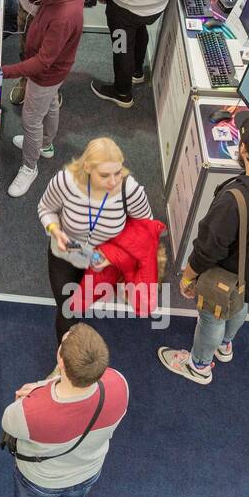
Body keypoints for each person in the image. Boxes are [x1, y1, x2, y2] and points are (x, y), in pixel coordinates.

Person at [159, 112, 249, 385]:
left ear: (243, 149)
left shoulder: (234, 200)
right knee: (241, 303)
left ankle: (199, 365)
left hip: (224, 275)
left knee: (212, 317)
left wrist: (189, 276)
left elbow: (207, 250)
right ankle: (225, 345)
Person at [37, 138, 153, 354]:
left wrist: (116, 255)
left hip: (104, 264)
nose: (113, 181)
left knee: (85, 303)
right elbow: (45, 208)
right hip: (65, 257)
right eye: (105, 175)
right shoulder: (65, 182)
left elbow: (145, 229)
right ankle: (66, 362)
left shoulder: (130, 190)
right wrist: (55, 230)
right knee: (67, 309)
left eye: (117, 173)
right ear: (87, 167)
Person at [2, 324, 129, 497]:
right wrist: (43, 387)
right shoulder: (119, 384)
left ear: (60, 361)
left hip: (40, 480)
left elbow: (8, 423)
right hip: (88, 472)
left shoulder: (29, 412)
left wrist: (37, 392)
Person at [1, 0, 85, 198]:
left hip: (46, 74)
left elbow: (41, 63)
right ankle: (46, 145)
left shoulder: (62, 17)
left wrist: (4, 72)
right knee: (50, 104)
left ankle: (29, 167)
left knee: (31, 120)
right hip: (57, 70)